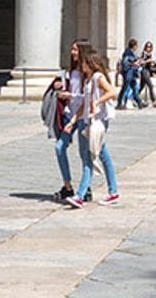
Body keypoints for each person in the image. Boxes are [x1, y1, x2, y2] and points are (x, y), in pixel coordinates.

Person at [67, 48, 120, 207]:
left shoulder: (98, 77)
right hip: (87, 121)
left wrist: (97, 102)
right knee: (100, 155)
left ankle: (80, 195)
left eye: (83, 62)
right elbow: (84, 103)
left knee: (89, 156)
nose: (81, 64)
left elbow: (112, 92)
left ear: (90, 63)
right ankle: (113, 191)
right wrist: (73, 121)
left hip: (97, 122)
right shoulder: (88, 80)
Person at [49, 39, 88, 203]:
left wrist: (70, 96)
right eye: (72, 49)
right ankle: (68, 186)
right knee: (59, 148)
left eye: (76, 50)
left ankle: (85, 188)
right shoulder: (70, 72)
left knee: (85, 154)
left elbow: (88, 97)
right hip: (70, 115)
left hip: (83, 116)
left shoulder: (88, 73)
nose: (73, 53)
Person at [116, 39, 140, 110]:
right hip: (128, 74)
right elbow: (125, 62)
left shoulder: (131, 53)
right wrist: (134, 63)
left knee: (134, 88)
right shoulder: (128, 53)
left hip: (131, 74)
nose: (137, 47)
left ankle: (139, 103)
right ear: (134, 46)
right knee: (125, 88)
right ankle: (120, 103)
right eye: (136, 46)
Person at [139, 41, 156, 107]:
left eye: (150, 47)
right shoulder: (143, 54)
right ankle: (153, 101)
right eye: (148, 47)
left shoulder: (149, 54)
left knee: (141, 86)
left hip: (147, 71)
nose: (149, 48)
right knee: (150, 85)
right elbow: (140, 61)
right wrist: (147, 61)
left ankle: (134, 97)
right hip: (144, 71)